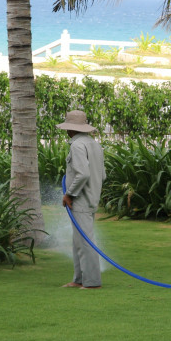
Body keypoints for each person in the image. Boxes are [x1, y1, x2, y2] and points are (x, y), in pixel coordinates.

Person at [56, 110, 106, 289]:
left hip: (80, 200)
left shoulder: (77, 146)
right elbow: (102, 175)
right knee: (78, 240)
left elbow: (82, 174)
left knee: (85, 241)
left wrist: (69, 194)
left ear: (70, 129)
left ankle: (92, 282)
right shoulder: (94, 145)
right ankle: (79, 279)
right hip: (91, 198)